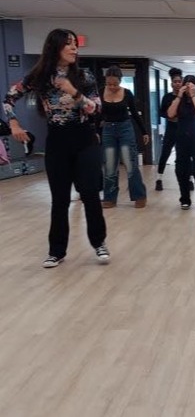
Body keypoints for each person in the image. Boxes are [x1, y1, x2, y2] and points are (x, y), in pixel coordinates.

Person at [3, 28, 110, 268]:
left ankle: (99, 243)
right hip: (57, 142)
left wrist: (74, 92)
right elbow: (9, 98)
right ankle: (56, 251)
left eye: (75, 44)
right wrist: (13, 122)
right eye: (68, 44)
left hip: (85, 141)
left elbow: (96, 108)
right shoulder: (38, 76)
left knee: (91, 194)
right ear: (56, 47)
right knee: (60, 199)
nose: (74, 48)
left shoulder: (84, 77)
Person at [100, 66, 149, 208]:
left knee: (130, 163)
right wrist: (96, 132)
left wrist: (144, 132)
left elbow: (134, 113)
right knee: (109, 164)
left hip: (125, 128)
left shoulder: (127, 93)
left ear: (120, 81)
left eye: (115, 84)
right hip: (108, 129)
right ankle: (109, 197)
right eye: (109, 84)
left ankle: (139, 195)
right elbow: (98, 115)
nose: (112, 87)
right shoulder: (101, 92)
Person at [167, 74, 195, 209]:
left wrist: (193, 95)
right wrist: (179, 95)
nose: (188, 86)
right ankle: (184, 198)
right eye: (187, 84)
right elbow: (170, 114)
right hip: (181, 136)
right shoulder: (178, 100)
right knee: (181, 168)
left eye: (191, 84)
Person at [155, 67, 184, 191]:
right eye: (175, 82)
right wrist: (169, 116)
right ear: (171, 83)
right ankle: (159, 179)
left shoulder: (186, 96)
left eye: (179, 81)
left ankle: (188, 179)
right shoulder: (167, 97)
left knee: (184, 155)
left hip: (183, 129)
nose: (177, 84)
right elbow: (161, 112)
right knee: (165, 153)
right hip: (171, 129)